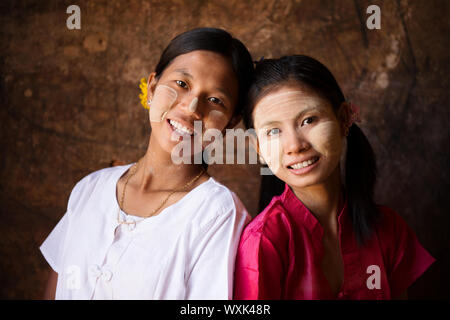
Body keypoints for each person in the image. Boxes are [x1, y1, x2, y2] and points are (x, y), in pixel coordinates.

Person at [40, 27, 253, 299]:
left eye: (215, 100)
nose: (191, 108)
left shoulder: (217, 214)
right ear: (152, 87)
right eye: (181, 84)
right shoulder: (91, 188)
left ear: (230, 123)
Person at [233, 55, 435, 299]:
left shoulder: (388, 229)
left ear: (342, 119)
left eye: (308, 120)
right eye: (274, 131)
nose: (295, 145)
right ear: (258, 149)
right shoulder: (263, 242)